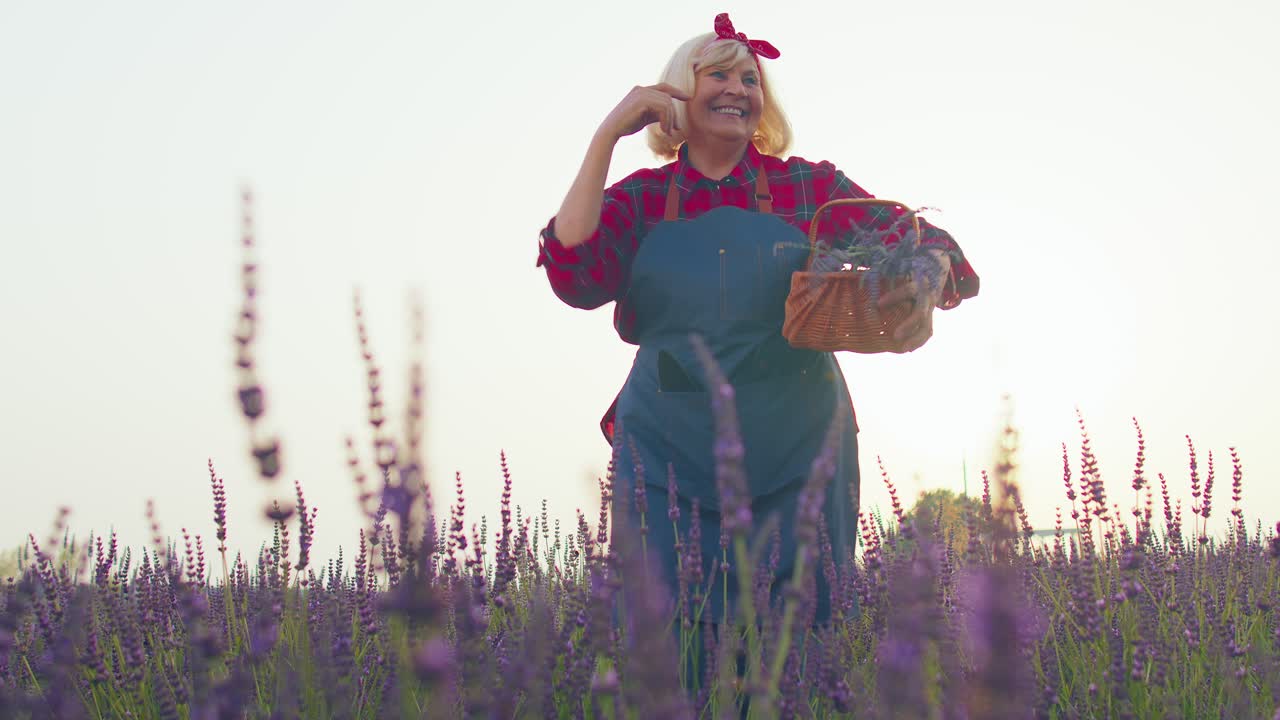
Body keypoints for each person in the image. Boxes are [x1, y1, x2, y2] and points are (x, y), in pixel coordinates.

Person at [536, 13, 978, 636]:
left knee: (800, 643)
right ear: (676, 95)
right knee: (669, 643)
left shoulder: (809, 187)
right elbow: (573, 272)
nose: (738, 90)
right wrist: (606, 135)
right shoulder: (639, 199)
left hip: (800, 449)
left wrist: (926, 277)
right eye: (717, 75)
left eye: (751, 79)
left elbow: (922, 239)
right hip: (666, 451)